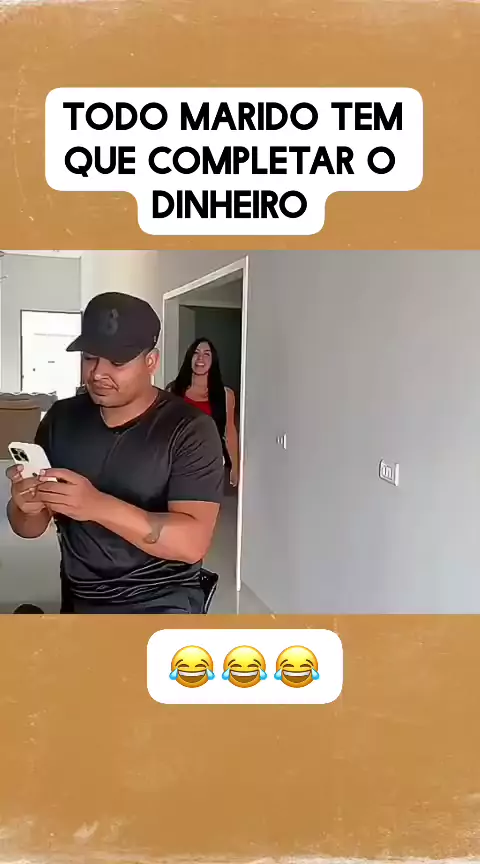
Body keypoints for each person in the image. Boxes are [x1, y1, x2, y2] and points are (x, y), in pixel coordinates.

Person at [6, 292, 224, 615]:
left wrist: (95, 505)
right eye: (89, 358)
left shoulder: (190, 429)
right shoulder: (60, 420)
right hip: (80, 598)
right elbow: (29, 527)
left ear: (151, 362)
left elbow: (192, 544)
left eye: (117, 362)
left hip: (161, 600)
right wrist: (25, 506)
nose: (97, 373)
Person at [168, 338, 239, 488]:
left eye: (207, 354)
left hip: (212, 463)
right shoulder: (173, 390)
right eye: (196, 353)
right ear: (190, 358)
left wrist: (235, 466)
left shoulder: (225, 395)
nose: (200, 358)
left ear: (213, 361)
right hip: (179, 461)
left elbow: (230, 432)